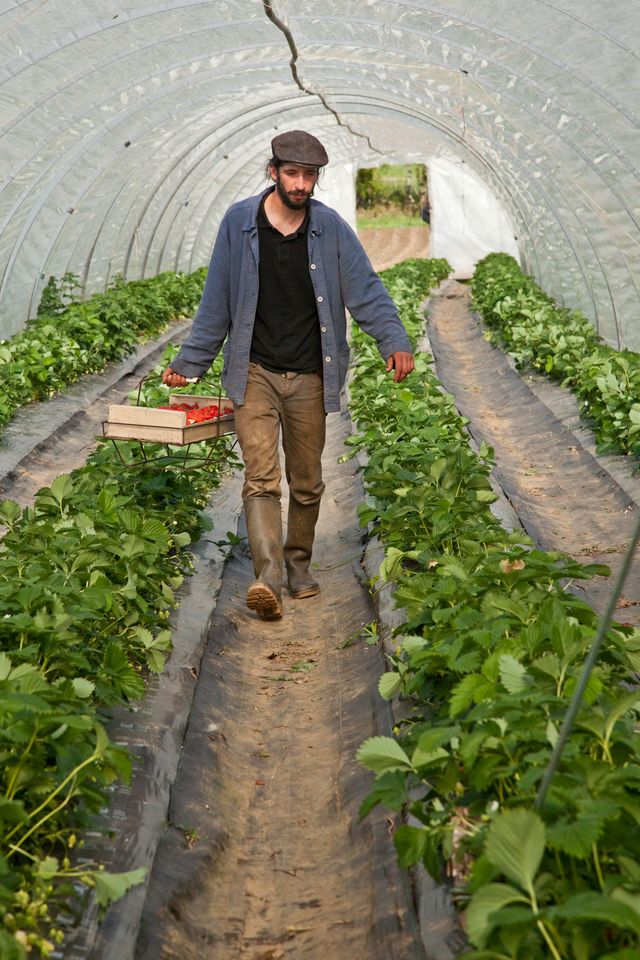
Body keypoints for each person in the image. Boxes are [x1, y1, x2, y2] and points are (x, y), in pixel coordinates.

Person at [163, 130, 414, 621]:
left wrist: (395, 340)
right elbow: (216, 300)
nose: (301, 184)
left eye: (309, 176)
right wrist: (190, 363)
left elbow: (365, 289)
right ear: (273, 171)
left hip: (309, 374)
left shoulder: (330, 229)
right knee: (260, 480)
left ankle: (299, 565)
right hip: (253, 370)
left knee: (307, 482)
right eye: (293, 173)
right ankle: (269, 577)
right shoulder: (239, 224)